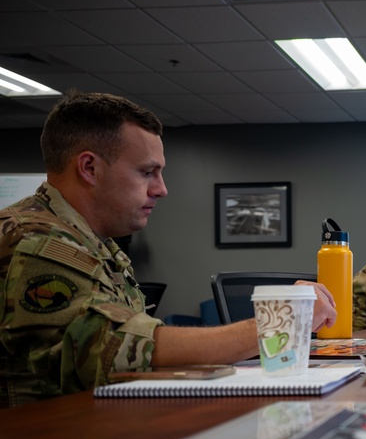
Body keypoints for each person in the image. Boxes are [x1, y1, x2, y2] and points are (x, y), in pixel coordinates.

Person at [0, 92, 337, 408]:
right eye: (148, 172)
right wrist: (281, 319)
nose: (161, 189)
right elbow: (108, 350)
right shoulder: (35, 239)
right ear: (89, 168)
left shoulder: (94, 242)